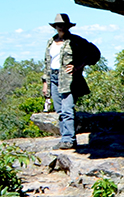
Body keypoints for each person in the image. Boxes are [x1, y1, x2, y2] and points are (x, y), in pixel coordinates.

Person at [41, 14, 101, 150]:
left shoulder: (76, 41)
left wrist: (79, 66)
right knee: (60, 111)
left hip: (68, 79)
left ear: (68, 26)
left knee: (67, 109)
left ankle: (69, 140)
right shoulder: (51, 41)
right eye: (58, 25)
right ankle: (64, 138)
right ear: (55, 27)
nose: (61, 27)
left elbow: (94, 53)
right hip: (53, 79)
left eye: (63, 25)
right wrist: (45, 83)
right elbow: (46, 63)